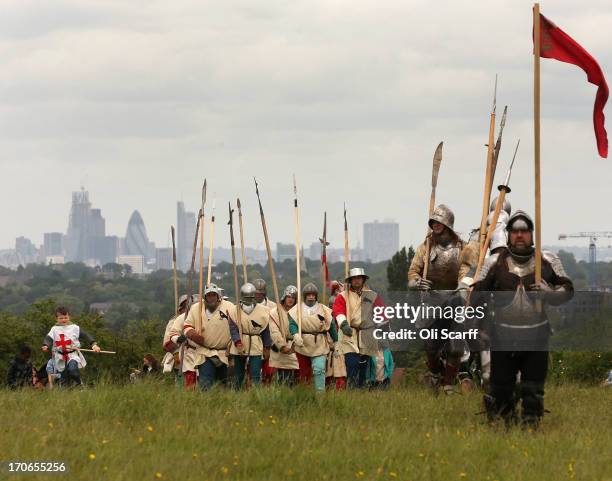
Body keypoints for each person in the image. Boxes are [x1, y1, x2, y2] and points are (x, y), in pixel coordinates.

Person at [472, 210, 574, 428]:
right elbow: (477, 298)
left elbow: (568, 289)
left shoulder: (546, 261)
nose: (520, 235)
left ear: (532, 234)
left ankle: (531, 429)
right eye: (515, 231)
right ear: (508, 234)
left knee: (533, 389)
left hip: (536, 336)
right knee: (501, 390)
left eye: (524, 231)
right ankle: (505, 427)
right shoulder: (494, 263)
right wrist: (479, 328)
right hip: (502, 337)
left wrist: (549, 293)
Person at [408, 204, 470, 395]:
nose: (435, 225)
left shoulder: (462, 248)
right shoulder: (425, 247)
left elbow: (466, 273)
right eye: (433, 222)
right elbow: (412, 273)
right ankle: (435, 372)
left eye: (439, 221)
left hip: (454, 299)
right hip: (432, 300)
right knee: (431, 345)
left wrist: (463, 288)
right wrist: (418, 282)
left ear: (447, 224)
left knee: (456, 345)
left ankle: (449, 383)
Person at [332, 268, 392, 388]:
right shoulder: (343, 296)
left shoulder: (372, 295)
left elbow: (381, 312)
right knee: (352, 362)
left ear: (363, 279)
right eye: (354, 278)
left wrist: (384, 327)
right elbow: (338, 311)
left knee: (364, 364)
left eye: (359, 278)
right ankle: (351, 388)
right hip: (350, 332)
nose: (356, 281)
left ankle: (361, 388)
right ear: (350, 280)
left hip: (367, 332)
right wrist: (343, 324)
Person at [181, 284, 233, 390]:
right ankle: (205, 404)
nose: (211, 297)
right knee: (205, 385)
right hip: (205, 353)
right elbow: (187, 326)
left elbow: (237, 326)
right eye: (209, 295)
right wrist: (193, 334)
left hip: (224, 354)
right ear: (205, 297)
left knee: (223, 385)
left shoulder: (229, 307)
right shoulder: (196, 308)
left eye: (214, 295)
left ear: (218, 296)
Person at [290, 283, 337, 392]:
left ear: (316, 296)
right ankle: (305, 394)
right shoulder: (297, 309)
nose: (311, 297)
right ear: (304, 295)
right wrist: (295, 334)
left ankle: (320, 393)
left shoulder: (324, 309)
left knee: (319, 369)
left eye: (313, 295)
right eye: (308, 295)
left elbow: (331, 325)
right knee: (304, 372)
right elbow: (292, 324)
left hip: (319, 343)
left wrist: (336, 342)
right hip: (303, 343)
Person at [42, 306, 101, 387]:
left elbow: (86, 335)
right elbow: (48, 338)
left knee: (73, 370)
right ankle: (66, 394)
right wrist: (46, 345)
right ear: (56, 318)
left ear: (69, 317)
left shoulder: (75, 328)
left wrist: (94, 345)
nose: (63, 320)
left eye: (65, 317)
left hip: (72, 355)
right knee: (64, 381)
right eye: (61, 318)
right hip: (60, 356)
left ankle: (80, 385)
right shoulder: (54, 329)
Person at [228, 283, 272, 389]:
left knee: (256, 373)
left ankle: (255, 396)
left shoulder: (263, 310)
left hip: (256, 343)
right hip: (240, 342)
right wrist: (238, 343)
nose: (249, 299)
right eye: (246, 297)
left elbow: (265, 330)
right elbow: (233, 329)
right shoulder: (234, 310)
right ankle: (237, 396)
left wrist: (267, 347)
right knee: (238, 374)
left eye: (251, 297)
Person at [268, 285, 299, 385]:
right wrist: (282, 346)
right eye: (289, 297)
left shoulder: (299, 312)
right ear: (284, 297)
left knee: (296, 380)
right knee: (282, 379)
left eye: (293, 297)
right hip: (280, 348)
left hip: (296, 347)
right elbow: (274, 332)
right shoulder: (275, 312)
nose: (291, 300)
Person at [161, 294, 191, 380]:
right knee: (182, 384)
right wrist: (178, 340)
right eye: (186, 306)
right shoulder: (173, 322)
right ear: (181, 309)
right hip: (179, 358)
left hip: (196, 357)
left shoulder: (197, 320)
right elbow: (167, 344)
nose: (188, 309)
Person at [253, 278, 276, 384]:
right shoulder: (248, 305)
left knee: (269, 372)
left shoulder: (274, 307)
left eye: (260, 293)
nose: (258, 295)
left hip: (270, 343)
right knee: (253, 372)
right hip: (253, 343)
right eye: (256, 293)